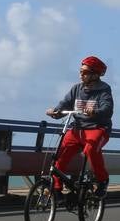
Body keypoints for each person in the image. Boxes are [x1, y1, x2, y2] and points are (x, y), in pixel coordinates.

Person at [46, 55, 115, 196]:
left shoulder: (104, 89)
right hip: (78, 129)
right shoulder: (76, 89)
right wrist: (55, 112)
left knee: (90, 149)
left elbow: (107, 108)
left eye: (85, 72)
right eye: (80, 71)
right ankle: (56, 188)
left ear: (95, 75)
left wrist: (95, 111)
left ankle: (102, 180)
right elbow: (64, 104)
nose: (81, 75)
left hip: (98, 128)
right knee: (61, 153)